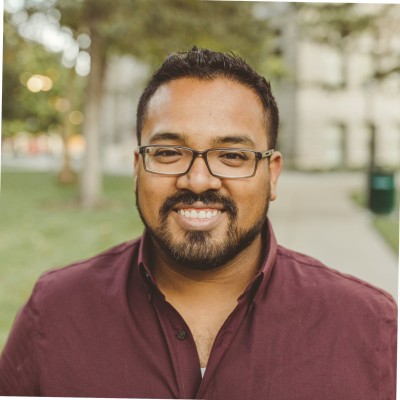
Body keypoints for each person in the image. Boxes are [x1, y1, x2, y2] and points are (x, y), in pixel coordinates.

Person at [0, 47, 396, 399]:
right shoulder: (54, 312)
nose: (199, 180)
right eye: (169, 153)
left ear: (272, 174)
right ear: (138, 169)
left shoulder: (370, 328)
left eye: (233, 156)